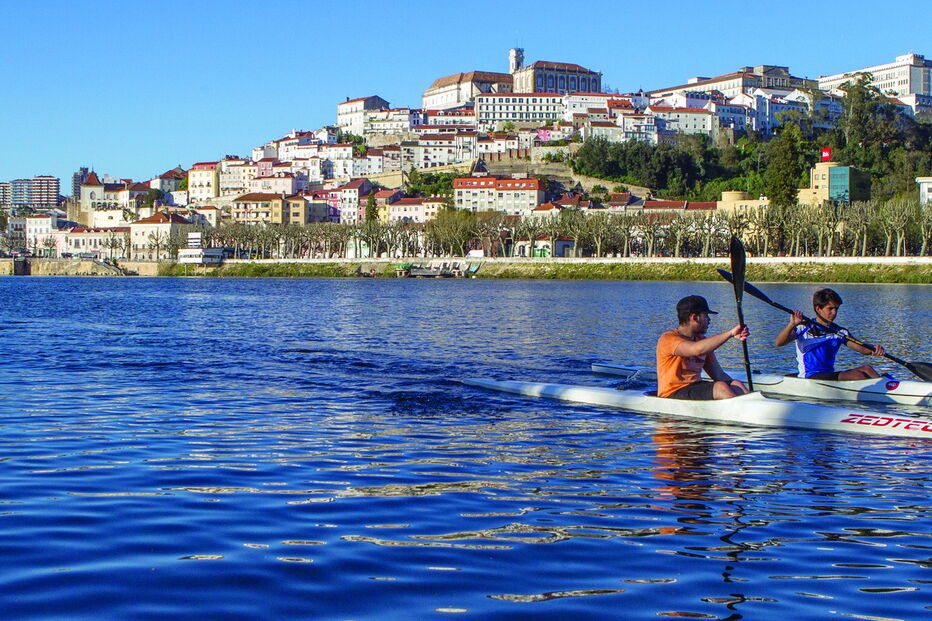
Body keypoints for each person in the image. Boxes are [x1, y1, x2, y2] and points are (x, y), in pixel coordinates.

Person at [775, 288, 886, 380]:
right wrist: (791, 324)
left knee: (867, 369)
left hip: (827, 375)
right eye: (830, 309)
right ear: (818, 309)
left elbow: (862, 349)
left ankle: (884, 387)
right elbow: (779, 342)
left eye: (836, 309)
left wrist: (874, 348)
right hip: (810, 376)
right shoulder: (803, 327)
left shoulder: (839, 332)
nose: (834, 313)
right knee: (858, 375)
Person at [656, 295, 750, 400]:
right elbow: (696, 350)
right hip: (672, 393)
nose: (709, 320)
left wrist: (735, 386)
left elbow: (718, 374)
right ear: (694, 317)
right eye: (706, 315)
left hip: (695, 388)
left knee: (736, 384)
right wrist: (731, 333)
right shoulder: (668, 339)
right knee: (720, 387)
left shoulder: (702, 341)